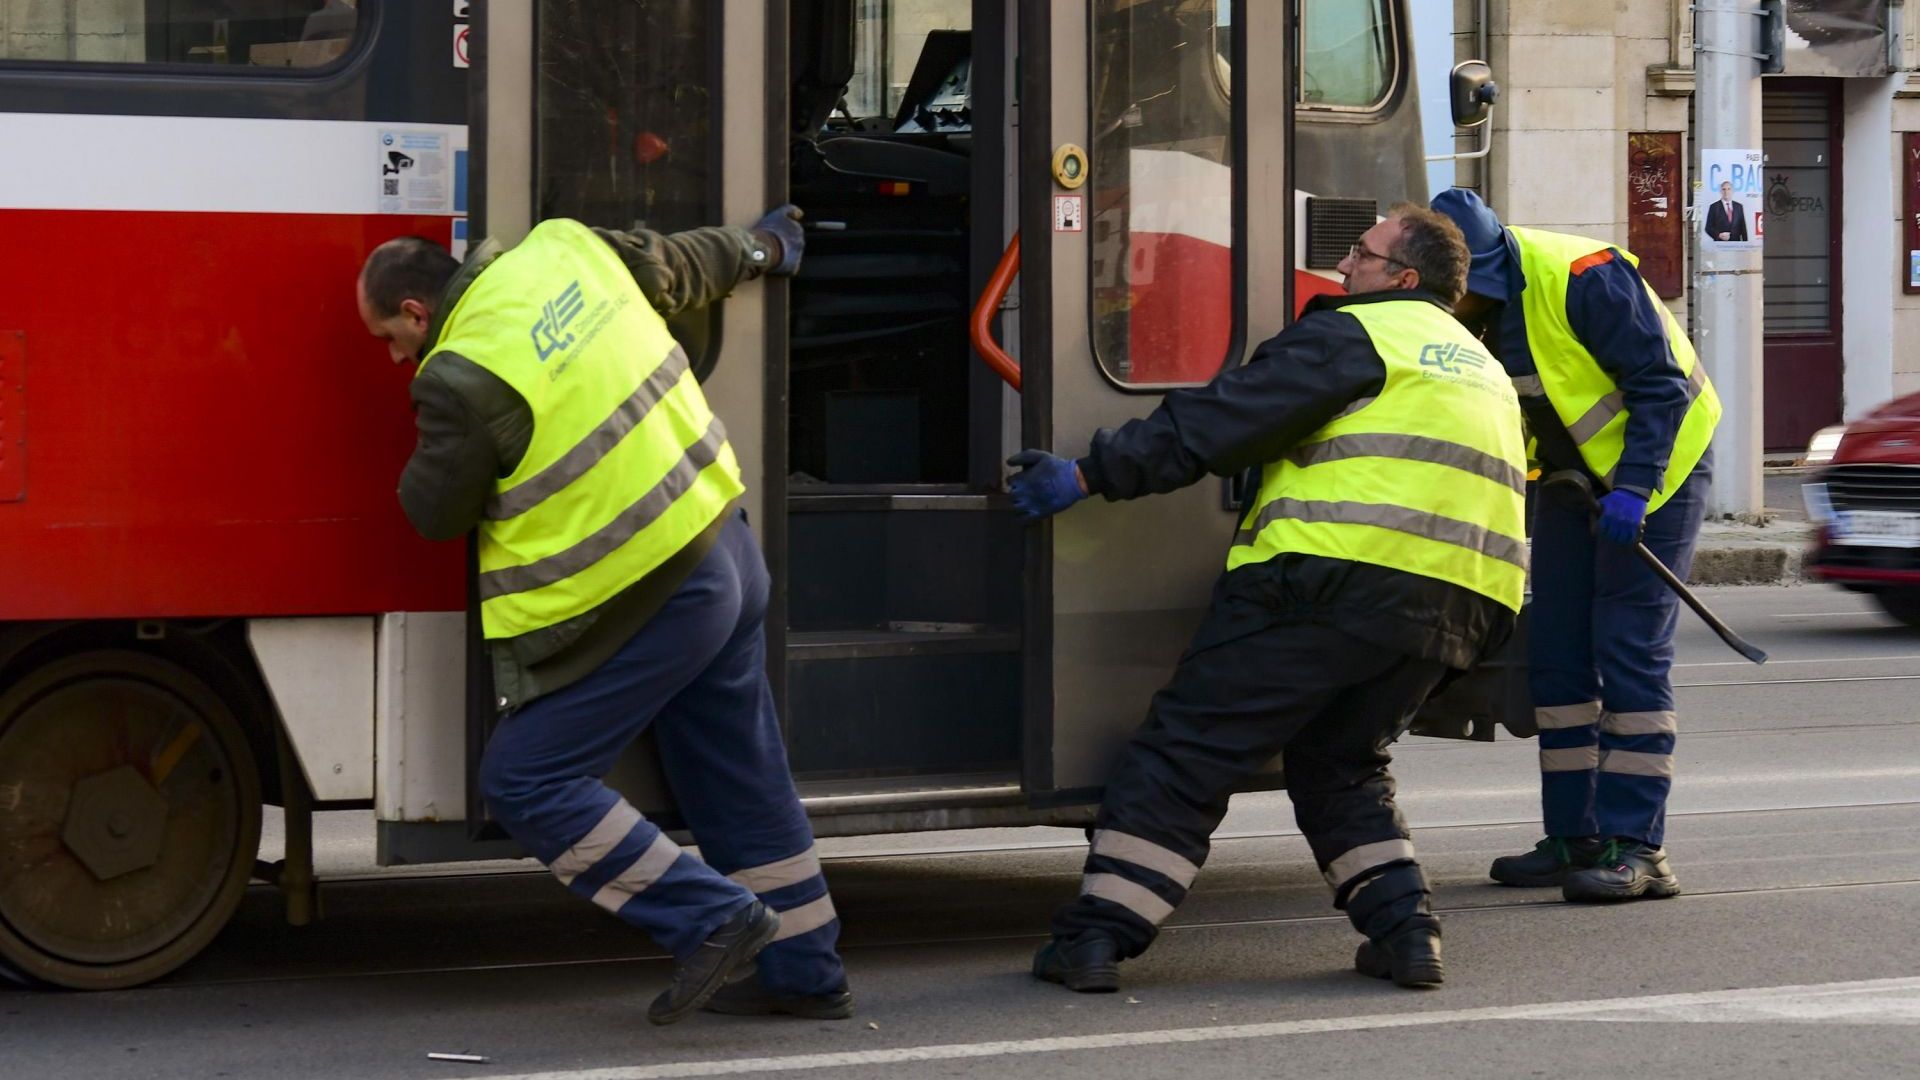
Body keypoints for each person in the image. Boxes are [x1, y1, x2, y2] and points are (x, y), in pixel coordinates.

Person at [1008, 205, 1527, 992]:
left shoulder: (1359, 334)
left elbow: (1223, 420)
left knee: (1189, 750)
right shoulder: (1478, 364)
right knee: (1342, 762)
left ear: (1404, 279)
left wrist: (1089, 473)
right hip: (1459, 609)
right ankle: (1407, 933)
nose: (1345, 266)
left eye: (1362, 252)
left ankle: (1097, 939)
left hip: (1329, 582)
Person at [355, 206, 854, 1025]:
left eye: (387, 337)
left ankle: (714, 919)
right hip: (723, 541)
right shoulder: (564, 251)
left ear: (416, 312)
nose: (393, 355)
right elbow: (683, 261)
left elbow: (434, 511)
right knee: (739, 771)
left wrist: (424, 395)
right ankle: (806, 972)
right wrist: (762, 247)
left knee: (528, 777)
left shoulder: (457, 375)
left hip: (655, 594)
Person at [1430, 189, 1719, 903]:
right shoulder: (1455, 310)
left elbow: (1661, 386)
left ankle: (1639, 848)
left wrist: (1635, 489)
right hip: (1567, 480)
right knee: (1557, 652)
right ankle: (1575, 837)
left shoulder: (1585, 274)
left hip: (1659, 472)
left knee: (1626, 648)